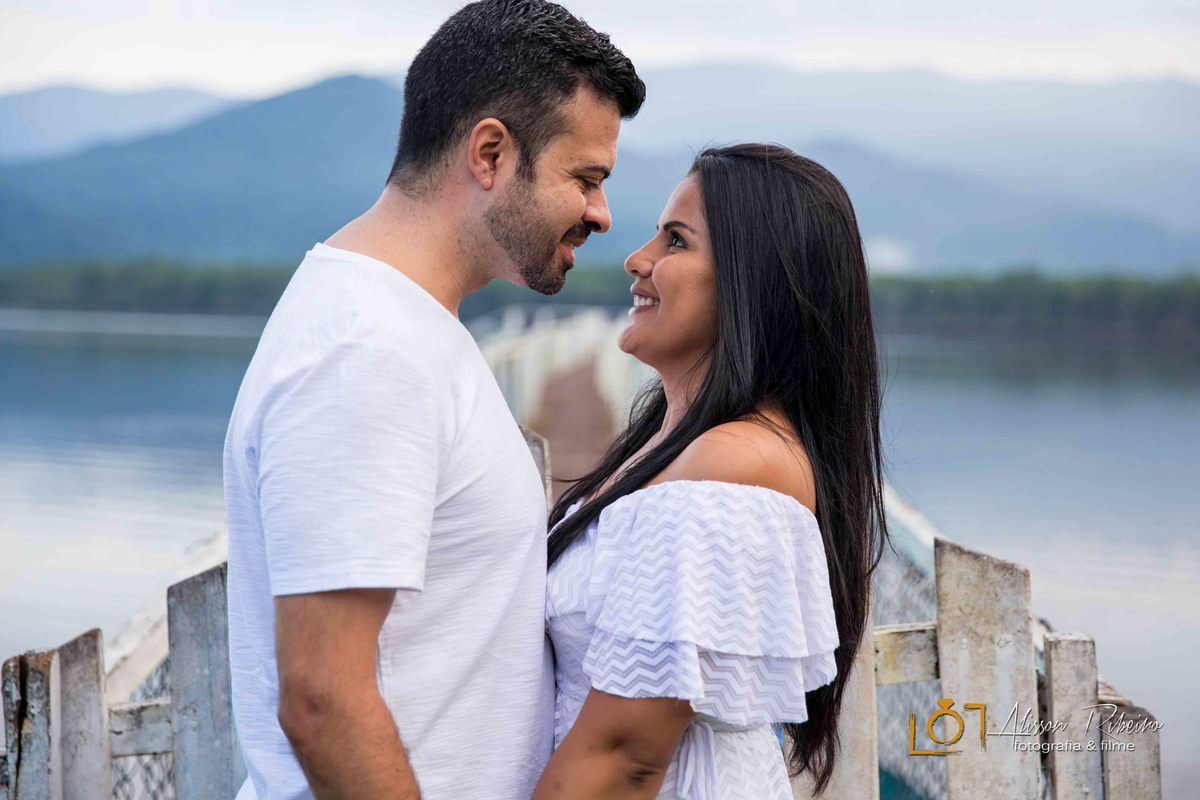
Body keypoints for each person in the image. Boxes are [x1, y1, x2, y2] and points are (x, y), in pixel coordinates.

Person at [222, 2, 644, 798]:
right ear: (490, 153)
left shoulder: (408, 327)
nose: (601, 213)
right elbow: (322, 698)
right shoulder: (368, 348)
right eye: (585, 179)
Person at [535, 143, 890, 799]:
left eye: (676, 241)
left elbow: (625, 758)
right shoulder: (676, 447)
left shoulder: (727, 466)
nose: (637, 259)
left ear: (753, 284)